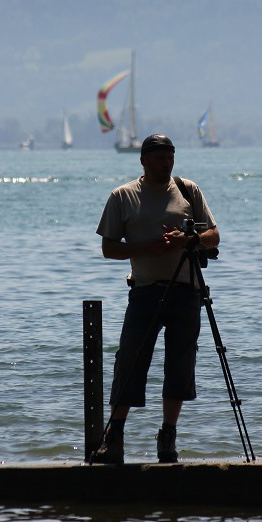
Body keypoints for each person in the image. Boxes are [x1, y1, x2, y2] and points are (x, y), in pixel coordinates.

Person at [94, 133, 220, 464]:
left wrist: (187, 238)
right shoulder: (123, 196)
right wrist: (146, 247)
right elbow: (109, 248)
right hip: (146, 291)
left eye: (171, 157)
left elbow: (214, 236)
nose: (167, 163)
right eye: (160, 158)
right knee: (131, 361)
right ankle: (114, 436)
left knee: (180, 364)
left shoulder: (188, 190)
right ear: (144, 161)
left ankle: (168, 436)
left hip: (186, 290)